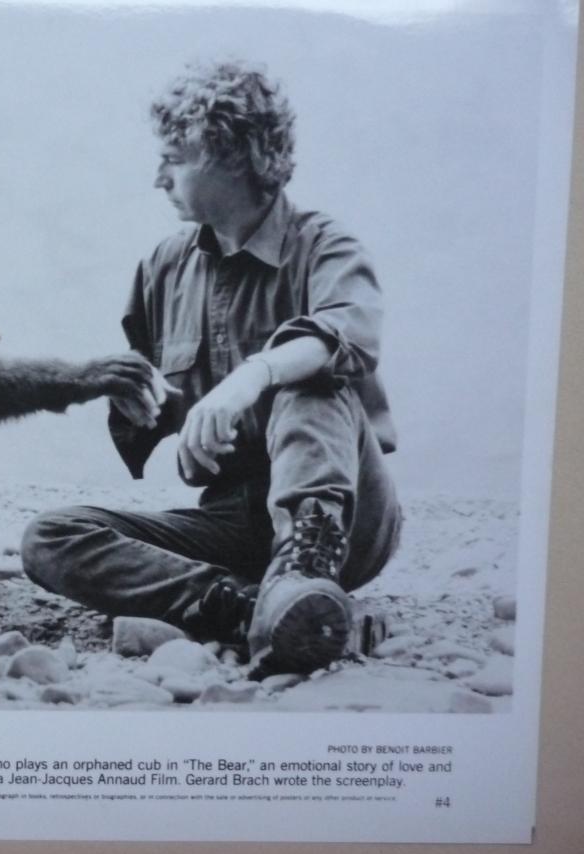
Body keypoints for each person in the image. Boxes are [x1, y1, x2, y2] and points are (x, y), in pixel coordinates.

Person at [21, 61, 402, 678]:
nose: (157, 178)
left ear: (235, 155)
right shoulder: (162, 268)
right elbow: (162, 416)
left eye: (174, 157)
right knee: (51, 537)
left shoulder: (325, 245)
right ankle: (251, 609)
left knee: (306, 373)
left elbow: (348, 334)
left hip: (345, 516)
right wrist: (165, 427)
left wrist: (252, 376)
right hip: (234, 520)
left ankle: (306, 572)